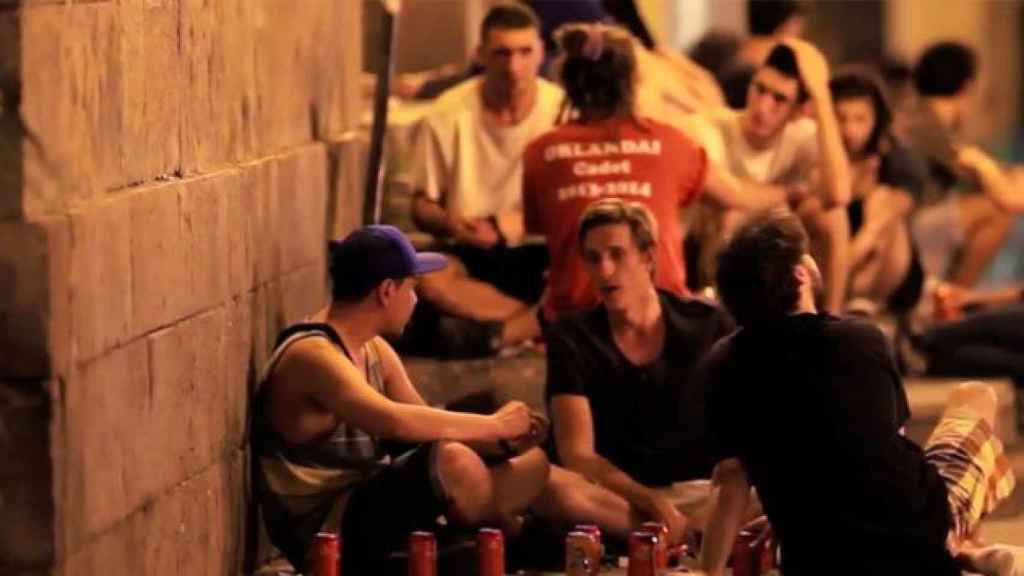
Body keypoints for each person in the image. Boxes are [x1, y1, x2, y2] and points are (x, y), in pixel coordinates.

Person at [699, 210, 1016, 576]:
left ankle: (965, 551)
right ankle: (959, 548)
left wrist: (709, 570)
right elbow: (883, 452)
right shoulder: (858, 340)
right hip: (914, 536)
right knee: (976, 397)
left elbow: (731, 477)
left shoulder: (724, 362)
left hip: (813, 556)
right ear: (800, 273)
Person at [252, 225, 550, 573]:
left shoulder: (373, 348)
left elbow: (427, 424)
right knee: (454, 464)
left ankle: (478, 541)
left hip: (370, 513)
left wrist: (505, 441)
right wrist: (493, 425)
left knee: (533, 466)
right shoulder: (313, 354)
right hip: (326, 533)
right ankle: (513, 538)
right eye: (412, 288)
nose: (416, 300)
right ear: (387, 291)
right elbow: (395, 421)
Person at [523, 23, 788, 320]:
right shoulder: (669, 142)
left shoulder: (541, 151)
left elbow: (538, 227)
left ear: (568, 82)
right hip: (661, 320)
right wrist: (792, 191)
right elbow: (737, 196)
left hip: (573, 324)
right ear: (631, 83)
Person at [530, 200, 745, 547]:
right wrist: (651, 502)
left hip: (707, 492)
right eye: (593, 257)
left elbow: (745, 427)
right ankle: (686, 536)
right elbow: (578, 454)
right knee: (547, 484)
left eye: (617, 254)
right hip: (624, 500)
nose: (605, 269)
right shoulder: (572, 337)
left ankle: (690, 532)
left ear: (648, 258)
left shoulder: (708, 324)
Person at [408, 2, 562, 355]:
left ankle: (500, 333)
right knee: (424, 276)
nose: (514, 66)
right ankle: (537, 326)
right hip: (473, 250)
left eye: (525, 52)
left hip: (541, 250)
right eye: (502, 53)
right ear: (481, 55)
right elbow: (420, 206)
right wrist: (453, 224)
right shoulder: (449, 110)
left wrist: (516, 223)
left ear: (541, 53)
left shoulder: (561, 109)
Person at [685, 39, 853, 313]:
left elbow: (838, 195)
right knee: (733, 217)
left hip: (778, 241)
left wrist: (821, 96)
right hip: (715, 245)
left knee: (834, 217)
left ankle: (831, 328)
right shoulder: (709, 126)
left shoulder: (802, 134)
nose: (763, 106)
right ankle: (725, 322)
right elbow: (730, 195)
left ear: (799, 110)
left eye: (779, 99)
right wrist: (788, 194)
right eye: (759, 89)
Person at [905, 42, 1023, 287]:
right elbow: (1005, 195)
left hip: (915, 227)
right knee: (997, 211)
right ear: (967, 87)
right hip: (907, 230)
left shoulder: (919, 118)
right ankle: (957, 297)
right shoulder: (925, 125)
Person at [829, 67, 928, 314]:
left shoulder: (894, 157)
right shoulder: (815, 155)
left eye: (860, 119)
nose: (849, 130)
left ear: (877, 121)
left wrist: (843, 264)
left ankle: (859, 302)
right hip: (833, 264)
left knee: (883, 203)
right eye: (841, 118)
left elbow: (890, 213)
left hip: (885, 271)